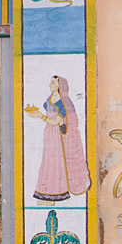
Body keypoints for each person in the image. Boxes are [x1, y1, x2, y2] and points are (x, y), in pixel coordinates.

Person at [25, 75, 91, 203]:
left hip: (57, 137)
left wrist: (40, 116)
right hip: (49, 134)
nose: (50, 85)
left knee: (56, 163)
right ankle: (45, 193)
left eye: (52, 83)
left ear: (59, 86)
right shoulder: (49, 99)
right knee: (47, 162)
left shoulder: (63, 103)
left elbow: (55, 121)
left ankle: (56, 194)